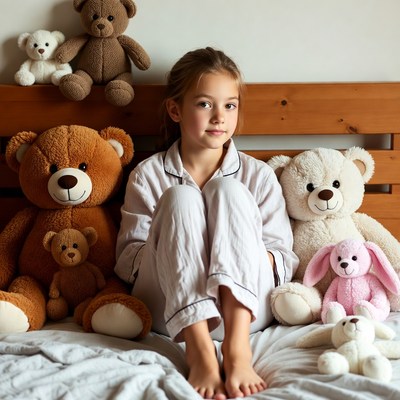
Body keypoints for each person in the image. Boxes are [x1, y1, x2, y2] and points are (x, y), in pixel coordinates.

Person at [115, 47, 298, 399]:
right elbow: (129, 261)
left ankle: (237, 348)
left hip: (245, 310)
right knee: (180, 198)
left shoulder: (257, 175)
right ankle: (199, 351)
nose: (219, 117)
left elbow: (283, 259)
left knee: (227, 190)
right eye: (204, 104)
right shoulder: (149, 174)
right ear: (175, 110)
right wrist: (181, 244)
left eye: (230, 105)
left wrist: (231, 249)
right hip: (171, 315)